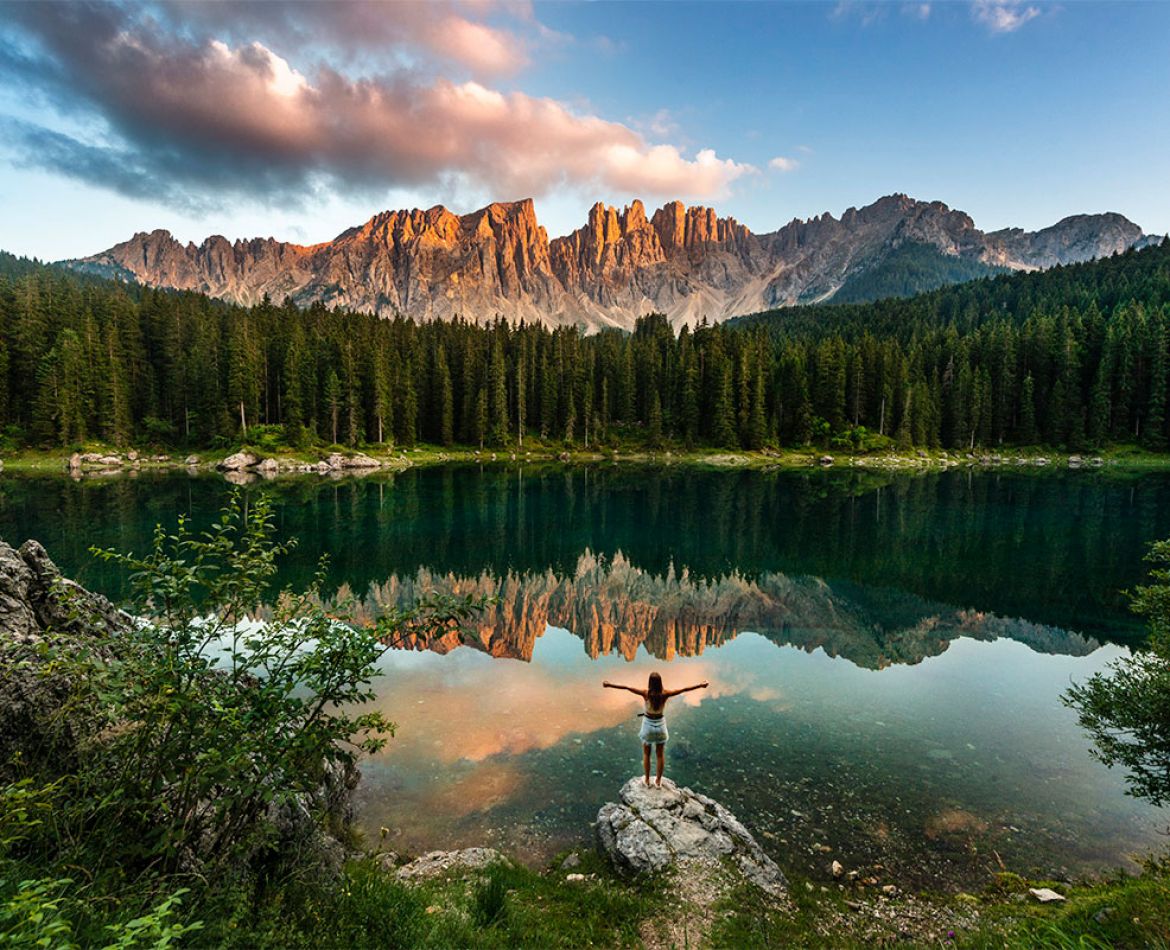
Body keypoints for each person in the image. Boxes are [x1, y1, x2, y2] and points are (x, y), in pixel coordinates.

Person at [602, 672, 709, 787]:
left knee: (646, 754)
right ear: (660, 683)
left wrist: (609, 685)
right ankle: (658, 782)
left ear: (650, 683)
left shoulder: (645, 693)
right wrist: (700, 685)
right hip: (660, 725)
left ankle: (647, 781)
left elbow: (627, 687)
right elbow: (684, 689)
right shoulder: (665, 694)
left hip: (648, 725)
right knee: (660, 755)